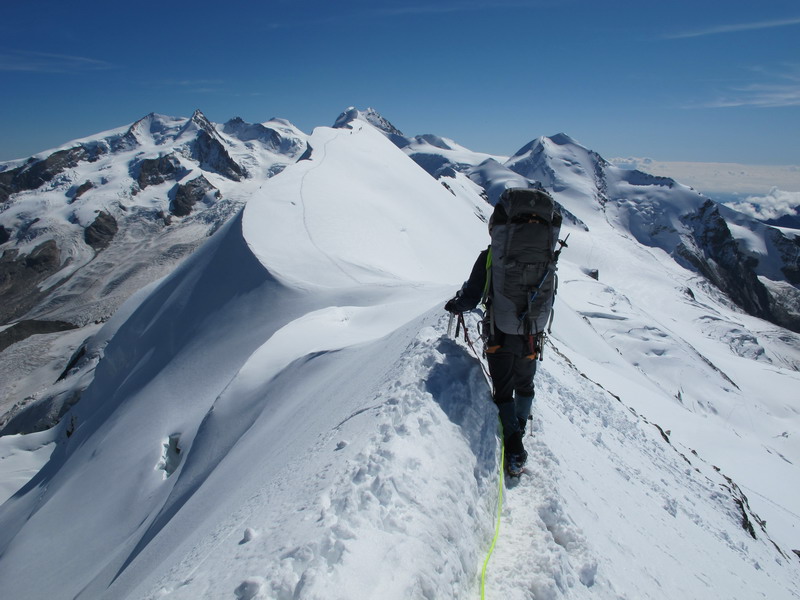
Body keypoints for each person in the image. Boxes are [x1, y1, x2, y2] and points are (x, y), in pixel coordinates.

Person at [445, 188, 562, 475]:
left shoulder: (492, 257)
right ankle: (518, 432)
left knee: (503, 391)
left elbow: (471, 296)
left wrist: (455, 305)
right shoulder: (544, 257)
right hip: (533, 333)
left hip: (500, 334)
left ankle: (514, 447)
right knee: (525, 386)